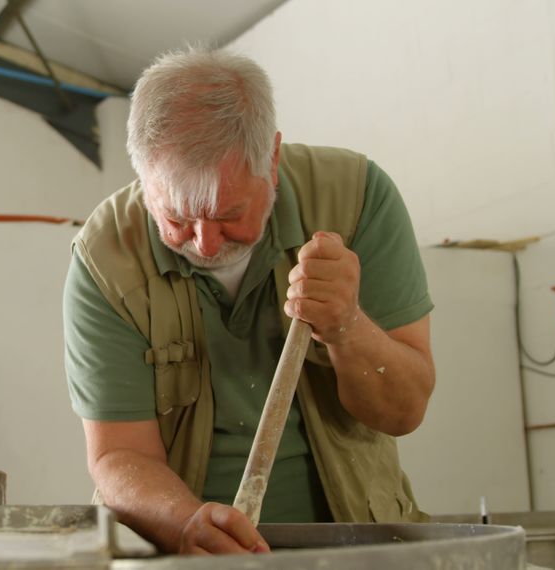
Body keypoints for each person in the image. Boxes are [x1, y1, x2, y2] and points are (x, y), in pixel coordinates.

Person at [62, 47, 436, 555]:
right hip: (186, 557)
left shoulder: (357, 199)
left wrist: (347, 325)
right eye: (176, 219)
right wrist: (184, 524)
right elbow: (119, 455)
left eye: (228, 214)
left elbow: (404, 411)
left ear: (273, 161)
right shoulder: (106, 256)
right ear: (145, 184)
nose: (206, 244)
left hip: (354, 548)